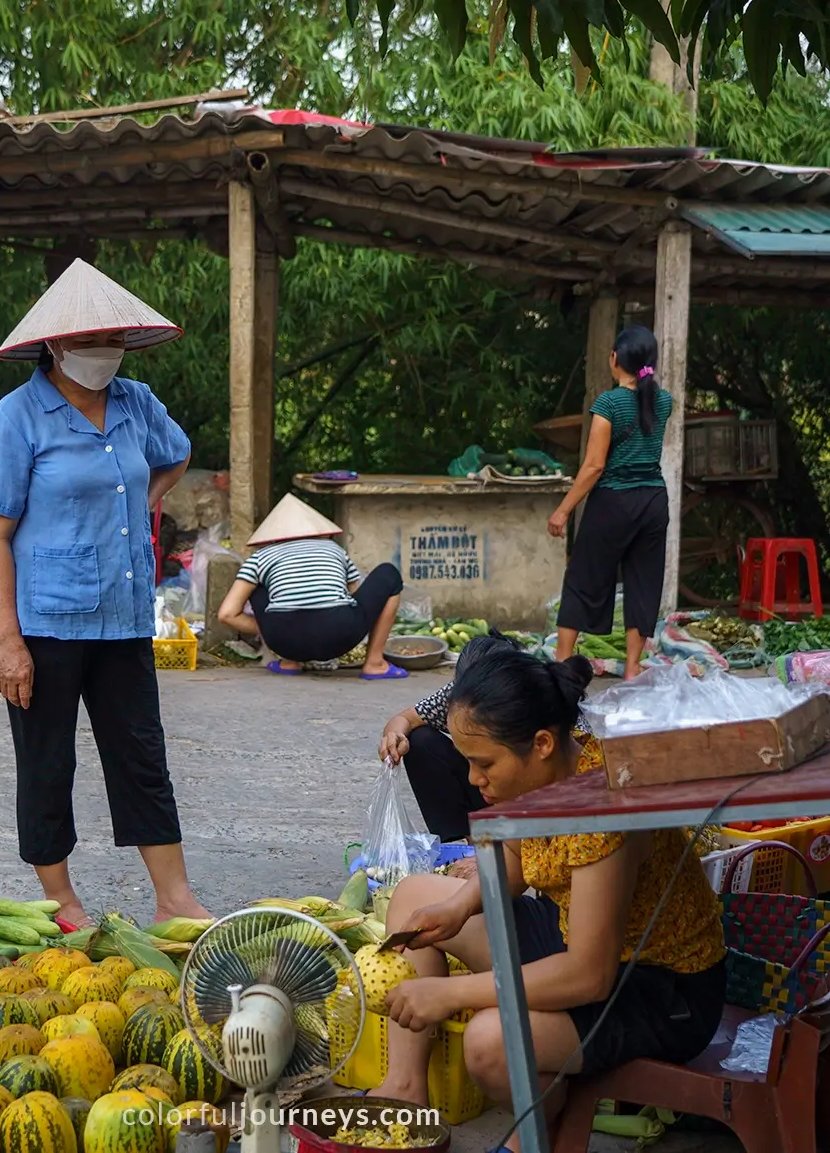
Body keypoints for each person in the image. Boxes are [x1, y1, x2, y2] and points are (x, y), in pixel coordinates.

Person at [370, 646, 725, 1152]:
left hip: (659, 990)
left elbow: (588, 974)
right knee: (413, 895)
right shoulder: (545, 770)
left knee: (492, 1041)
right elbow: (518, 862)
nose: (473, 779)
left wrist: (449, 994)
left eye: (484, 763)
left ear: (539, 743)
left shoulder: (598, 806)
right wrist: (460, 905)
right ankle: (405, 1090)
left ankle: (538, 1129)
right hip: (574, 937)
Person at [0, 257, 207, 928]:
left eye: (114, 340)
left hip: (122, 619)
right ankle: (59, 898)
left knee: (141, 756)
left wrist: (146, 501)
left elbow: (176, 452)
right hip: (44, 624)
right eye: (90, 340)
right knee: (47, 763)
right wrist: (6, 641)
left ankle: (174, 896)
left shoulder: (137, 403)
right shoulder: (14, 422)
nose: (105, 353)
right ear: (55, 345)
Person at [547, 325, 673, 679]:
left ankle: (562, 663)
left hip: (614, 502)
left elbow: (594, 465)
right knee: (643, 582)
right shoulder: (663, 401)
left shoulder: (608, 403)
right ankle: (633, 667)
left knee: (583, 578)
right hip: (653, 502)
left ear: (615, 359)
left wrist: (563, 510)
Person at [217, 493, 408, 679]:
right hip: (340, 637)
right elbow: (354, 597)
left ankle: (289, 662)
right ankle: (374, 663)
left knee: (256, 586)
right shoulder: (334, 549)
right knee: (388, 573)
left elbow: (227, 614)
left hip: (284, 642)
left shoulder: (259, 558)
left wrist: (269, 628)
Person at [379, 632, 518, 841]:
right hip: (490, 796)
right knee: (421, 740)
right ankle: (462, 844)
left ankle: (493, 844)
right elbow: (406, 718)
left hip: (533, 802)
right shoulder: (459, 696)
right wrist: (394, 735)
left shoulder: (533, 705)